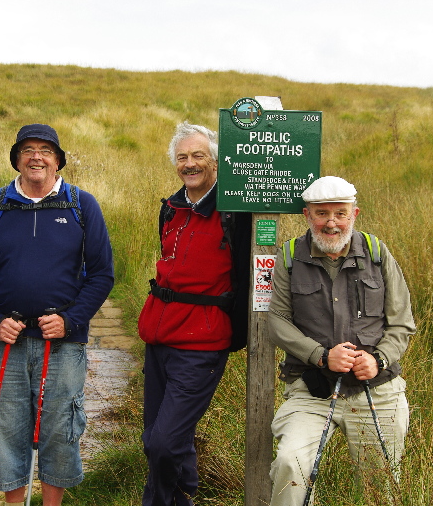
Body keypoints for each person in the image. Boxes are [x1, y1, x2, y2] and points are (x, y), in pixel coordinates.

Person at [0, 123, 114, 506]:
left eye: (46, 150)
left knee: (60, 429)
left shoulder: (82, 205)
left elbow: (101, 274)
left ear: (58, 161)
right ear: (16, 159)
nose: (36, 156)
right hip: (8, 343)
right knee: (8, 429)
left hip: (62, 344)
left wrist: (71, 319)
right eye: (28, 149)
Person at [266, 176, 416, 505]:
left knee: (382, 487)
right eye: (322, 214)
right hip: (312, 390)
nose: (331, 223)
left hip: (377, 391)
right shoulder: (289, 257)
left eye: (340, 213)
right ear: (307, 215)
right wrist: (321, 356)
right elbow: (276, 321)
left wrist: (378, 360)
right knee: (291, 463)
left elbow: (402, 322)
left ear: (354, 214)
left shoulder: (377, 253)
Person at [137, 121, 251, 506]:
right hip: (159, 336)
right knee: (158, 436)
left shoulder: (234, 210)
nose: (190, 164)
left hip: (202, 342)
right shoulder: (171, 208)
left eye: (198, 156)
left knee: (162, 442)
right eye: (183, 157)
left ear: (215, 162)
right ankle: (182, 499)